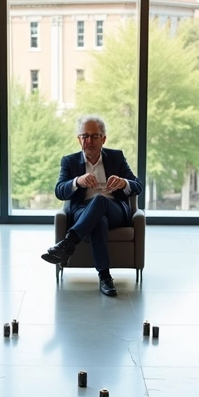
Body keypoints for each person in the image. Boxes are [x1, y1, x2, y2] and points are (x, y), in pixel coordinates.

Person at [41, 115, 144, 297]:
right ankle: (105, 278)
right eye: (85, 136)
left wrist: (123, 183)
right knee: (98, 221)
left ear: (103, 139)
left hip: (115, 210)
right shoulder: (70, 161)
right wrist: (77, 181)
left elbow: (138, 186)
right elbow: (59, 191)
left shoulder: (116, 157)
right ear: (79, 139)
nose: (89, 140)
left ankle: (69, 243)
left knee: (100, 200)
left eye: (94, 136)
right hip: (83, 212)